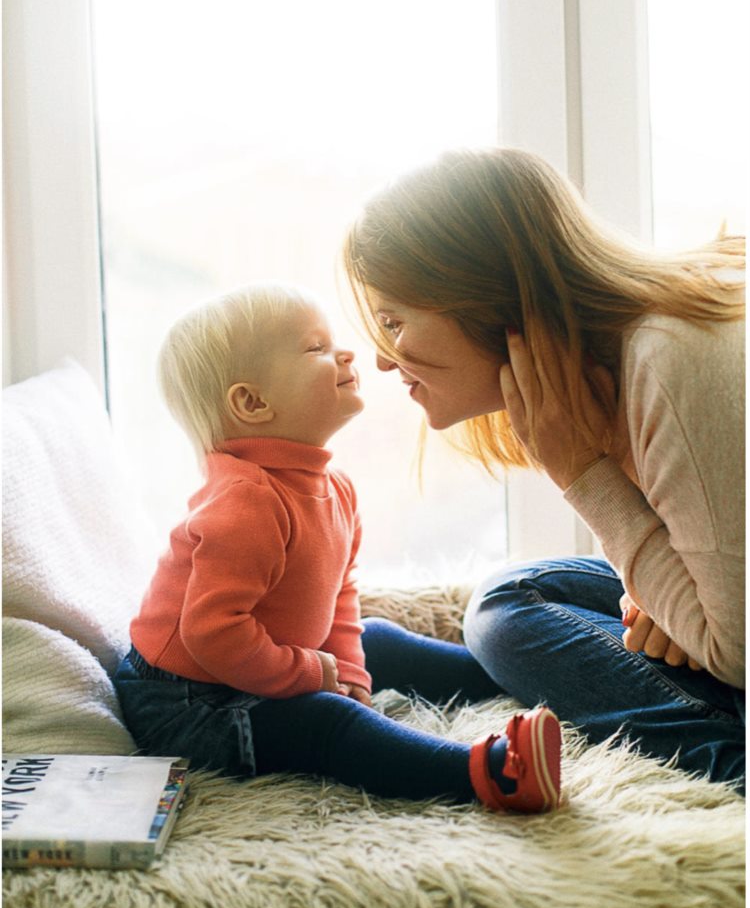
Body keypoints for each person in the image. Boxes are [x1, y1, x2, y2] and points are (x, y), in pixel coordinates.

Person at [342, 146, 745, 792]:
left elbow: (737, 652)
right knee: (515, 596)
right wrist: (663, 597)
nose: (386, 360)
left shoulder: (669, 358)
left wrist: (583, 473)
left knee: (509, 614)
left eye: (394, 321)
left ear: (481, 296)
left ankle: (731, 764)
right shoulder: (626, 361)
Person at [113, 281, 562, 814]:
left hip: (253, 662)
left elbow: (338, 596)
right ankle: (490, 772)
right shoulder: (246, 502)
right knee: (326, 723)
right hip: (187, 703)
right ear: (253, 403)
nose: (346, 352)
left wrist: (347, 671)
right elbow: (212, 633)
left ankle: (525, 677)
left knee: (378, 638)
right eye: (316, 348)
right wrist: (308, 676)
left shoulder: (335, 489)